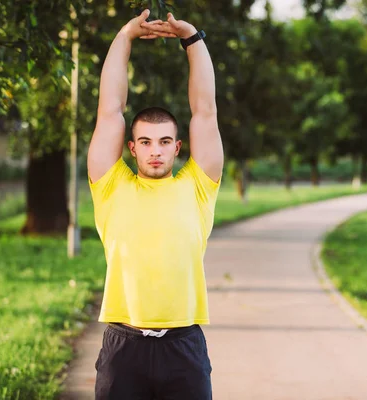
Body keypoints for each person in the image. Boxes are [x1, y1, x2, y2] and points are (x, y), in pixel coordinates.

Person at [86, 9, 223, 400]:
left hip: (184, 348)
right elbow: (109, 110)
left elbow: (205, 111)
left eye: (165, 141)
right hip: (122, 347)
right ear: (132, 147)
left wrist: (193, 38)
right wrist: (125, 35)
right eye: (145, 142)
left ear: (177, 147)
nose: (155, 151)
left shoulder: (198, 185)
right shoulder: (111, 185)